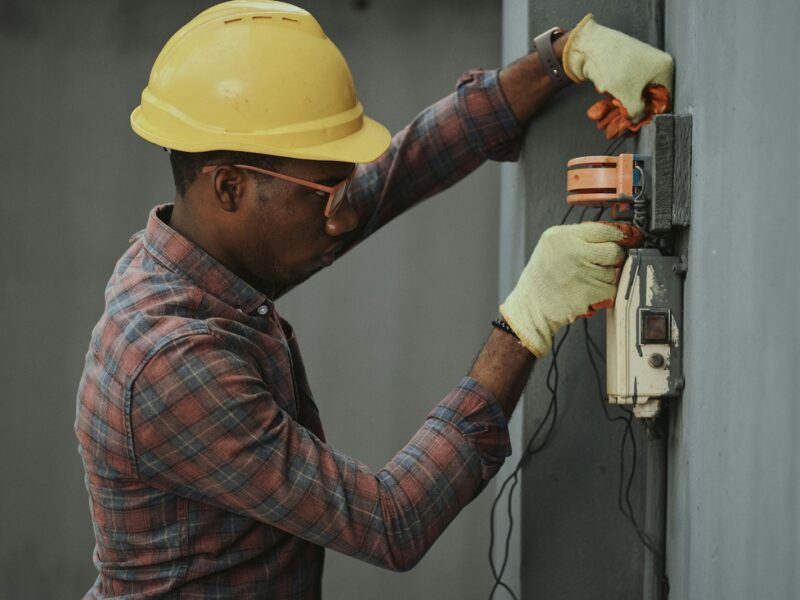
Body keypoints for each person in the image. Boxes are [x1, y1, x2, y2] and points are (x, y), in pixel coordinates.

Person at [75, 2, 673, 598]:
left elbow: (403, 167)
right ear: (230, 186)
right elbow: (391, 522)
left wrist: (561, 58)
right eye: (325, 194)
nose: (340, 219)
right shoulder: (173, 362)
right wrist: (524, 323)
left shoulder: (195, 257)